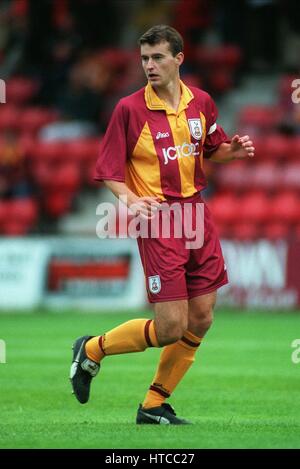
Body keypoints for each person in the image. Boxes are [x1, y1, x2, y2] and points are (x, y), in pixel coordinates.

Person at [70, 25, 255, 424]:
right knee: (171, 327)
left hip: (197, 216)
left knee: (202, 316)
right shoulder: (129, 109)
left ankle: (153, 406)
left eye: (157, 57)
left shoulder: (201, 102)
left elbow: (212, 149)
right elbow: (107, 170)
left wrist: (232, 152)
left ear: (178, 59)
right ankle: (92, 350)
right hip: (160, 221)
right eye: (144, 59)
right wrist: (131, 200)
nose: (149, 65)